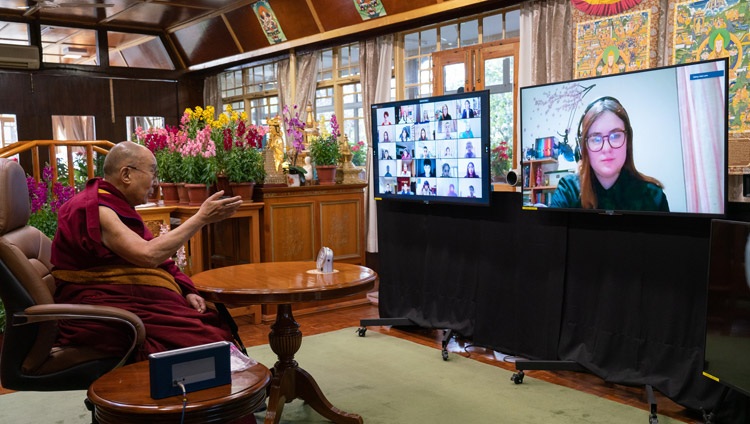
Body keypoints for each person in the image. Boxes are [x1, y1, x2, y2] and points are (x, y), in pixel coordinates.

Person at [51, 141, 244, 361]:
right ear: (126, 175)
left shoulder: (113, 202)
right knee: (202, 337)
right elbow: (147, 255)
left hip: (121, 291)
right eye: (153, 173)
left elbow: (156, 255)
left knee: (207, 320)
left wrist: (185, 288)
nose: (156, 183)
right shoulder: (97, 209)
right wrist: (200, 218)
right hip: (98, 302)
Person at [550, 96, 669, 211]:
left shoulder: (653, 197)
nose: (606, 148)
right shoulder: (567, 191)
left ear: (628, 141)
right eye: (596, 139)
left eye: (615, 136)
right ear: (583, 147)